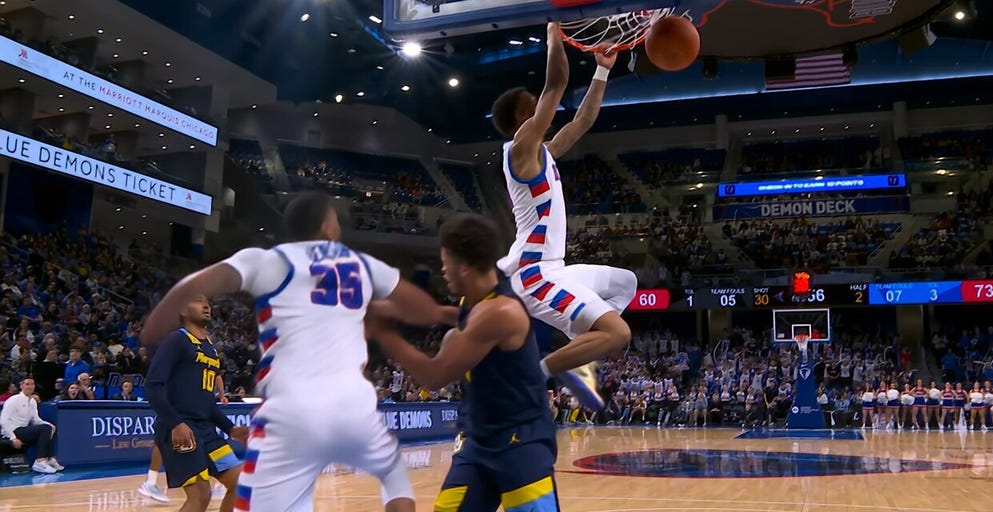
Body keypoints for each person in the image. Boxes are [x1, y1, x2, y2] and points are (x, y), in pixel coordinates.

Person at [140, 191, 456, 512]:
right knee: (393, 477)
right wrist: (447, 313)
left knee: (247, 492)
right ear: (326, 227)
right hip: (351, 404)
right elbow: (423, 309)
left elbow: (192, 287)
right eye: (335, 219)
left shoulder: (267, 261)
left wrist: (155, 326)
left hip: (287, 410)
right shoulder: (360, 264)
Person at [489, 22, 637, 410]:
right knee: (618, 333)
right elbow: (555, 84)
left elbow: (583, 121)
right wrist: (554, 31)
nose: (543, 106)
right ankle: (536, 374)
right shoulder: (519, 149)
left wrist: (603, 69)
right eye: (532, 103)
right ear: (525, 114)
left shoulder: (544, 152)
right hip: (534, 274)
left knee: (626, 283)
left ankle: (580, 347)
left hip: (554, 267)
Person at [368, 213, 558, 511]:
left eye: (446, 262)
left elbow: (435, 376)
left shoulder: (499, 312)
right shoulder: (476, 298)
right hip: (478, 443)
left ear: (465, 268)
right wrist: (393, 308)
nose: (442, 269)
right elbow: (445, 314)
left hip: (520, 443)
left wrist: (383, 332)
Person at [145, 295, 247, 512]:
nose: (206, 306)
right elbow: (152, 386)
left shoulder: (210, 348)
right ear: (182, 311)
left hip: (207, 431)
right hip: (181, 429)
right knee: (201, 494)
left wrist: (231, 429)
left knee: (240, 482)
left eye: (208, 302)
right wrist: (176, 423)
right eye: (198, 301)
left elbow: (206, 402)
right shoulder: (176, 340)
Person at [0, 377, 64, 474]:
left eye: (32, 384)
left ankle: (50, 458)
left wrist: (49, 424)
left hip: (24, 430)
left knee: (51, 427)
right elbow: (3, 421)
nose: (30, 386)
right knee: (45, 428)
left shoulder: (32, 401)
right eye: (27, 384)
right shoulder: (13, 400)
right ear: (21, 386)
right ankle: (39, 461)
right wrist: (13, 438)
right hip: (13, 431)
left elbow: (36, 420)